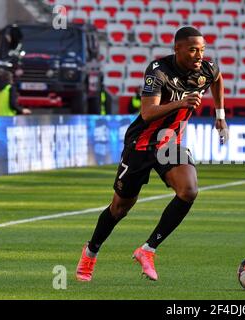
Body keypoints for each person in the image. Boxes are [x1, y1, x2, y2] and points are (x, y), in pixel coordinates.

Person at [76, 26, 229, 282]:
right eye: (192, 49)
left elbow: (218, 78)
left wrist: (220, 116)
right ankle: (90, 252)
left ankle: (147, 250)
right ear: (177, 49)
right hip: (141, 144)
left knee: (189, 190)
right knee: (120, 208)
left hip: (170, 143)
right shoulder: (158, 72)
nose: (199, 55)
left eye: (202, 49)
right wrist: (181, 102)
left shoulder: (205, 69)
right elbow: (148, 113)